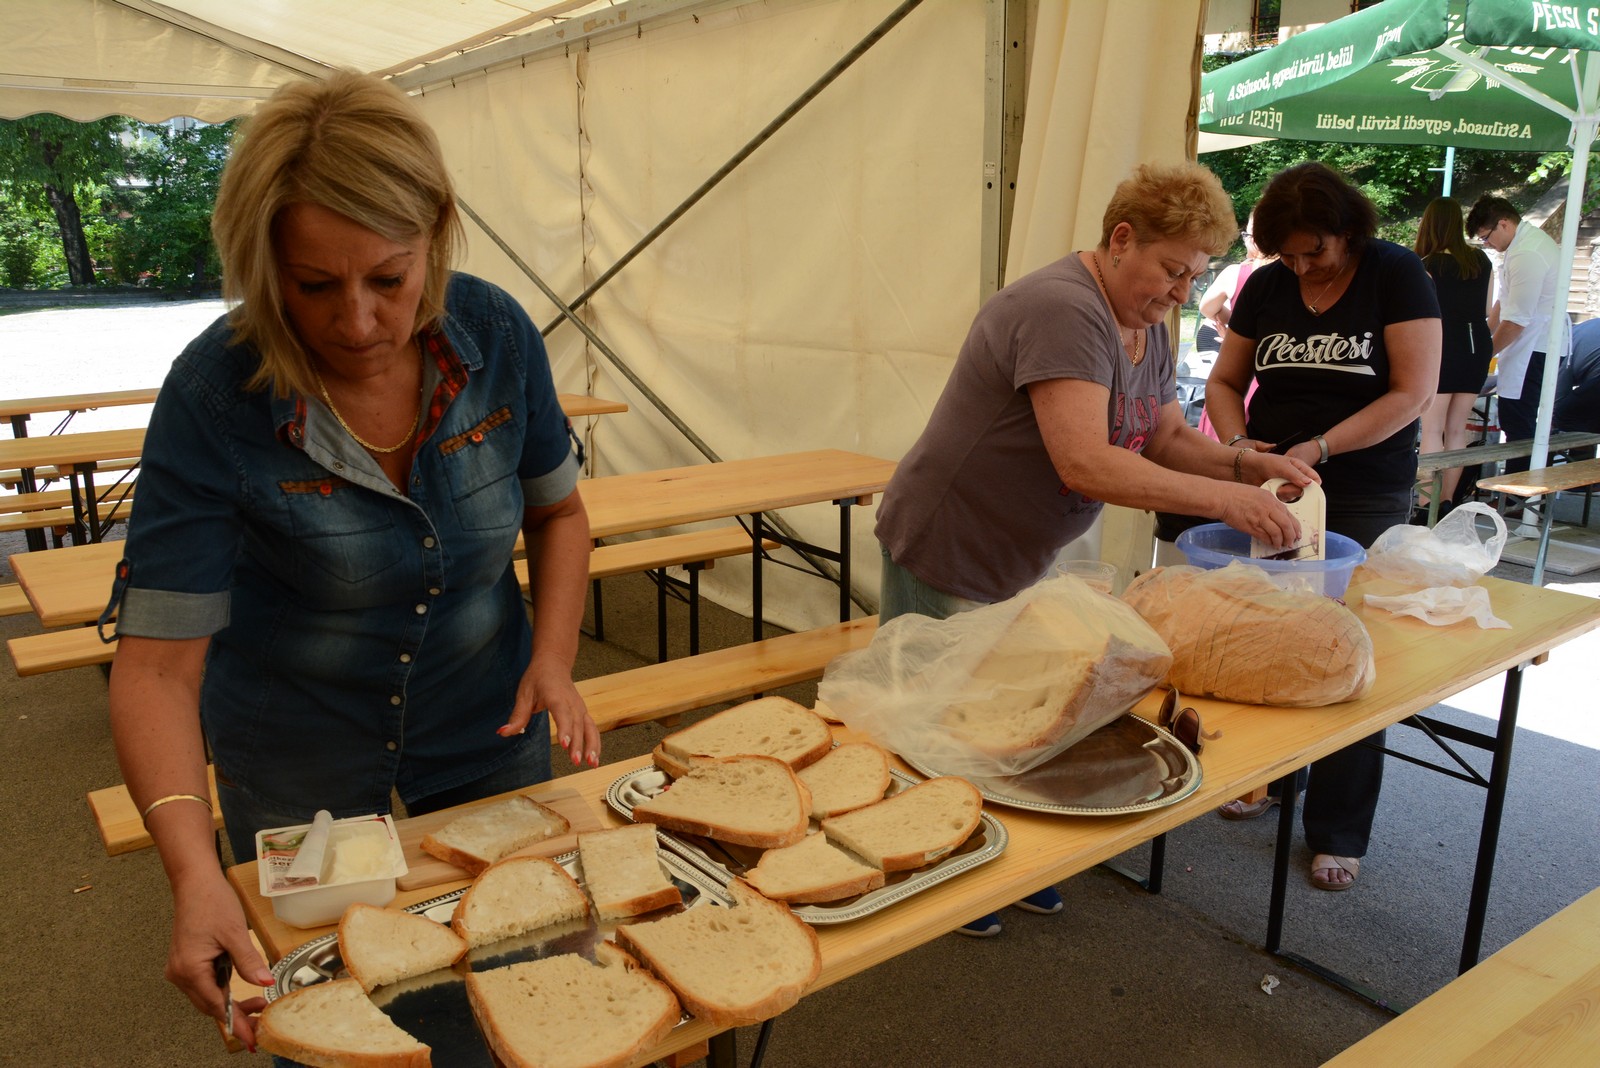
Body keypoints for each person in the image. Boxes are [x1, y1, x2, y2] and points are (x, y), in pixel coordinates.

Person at [101, 72, 599, 1052]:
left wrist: (552, 658)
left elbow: (561, 513)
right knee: (338, 1014)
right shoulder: (214, 395)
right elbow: (157, 669)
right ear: (262, 266)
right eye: (315, 286)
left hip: (487, 711)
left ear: (436, 235)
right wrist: (195, 871)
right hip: (295, 745)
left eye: (390, 278)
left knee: (527, 977)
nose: (360, 322)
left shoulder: (497, 335)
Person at [875, 160, 1318, 935]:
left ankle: (985, 850)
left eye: (1195, 275)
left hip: (1019, 544)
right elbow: (1084, 461)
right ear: (1121, 239)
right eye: (1173, 270)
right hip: (954, 534)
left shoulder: (1144, 319)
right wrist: (1227, 501)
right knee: (932, 714)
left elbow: (1165, 435)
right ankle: (929, 865)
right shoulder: (1062, 308)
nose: (1183, 291)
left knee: (1000, 707)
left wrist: (1243, 464)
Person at [1205, 161, 1441, 891]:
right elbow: (1224, 381)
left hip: (1361, 485)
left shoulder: (1395, 273)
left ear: (1348, 230)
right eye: (1289, 256)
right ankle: (1275, 776)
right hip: (1274, 482)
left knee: (1345, 652)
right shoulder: (1267, 284)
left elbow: (1413, 392)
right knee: (1268, 633)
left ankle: (1338, 828)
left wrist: (1323, 447)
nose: (1303, 268)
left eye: (1316, 252)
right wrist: (1239, 445)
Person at [1464, 196, 1569, 481]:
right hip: (1532, 345)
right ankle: (1517, 489)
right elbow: (1504, 302)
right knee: (1515, 419)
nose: (1487, 244)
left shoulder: (1528, 253)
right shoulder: (1522, 245)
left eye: (1486, 237)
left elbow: (1515, 322)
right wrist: (1482, 340)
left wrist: (1482, 356)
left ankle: (1518, 493)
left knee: (1519, 422)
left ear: (1504, 224)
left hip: (1535, 348)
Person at [1414, 197, 1494, 517]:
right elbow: (1486, 308)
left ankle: (1426, 506)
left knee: (1432, 429)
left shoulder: (1426, 264)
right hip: (1476, 345)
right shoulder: (1480, 259)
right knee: (1457, 428)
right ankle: (1447, 500)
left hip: (1441, 346)